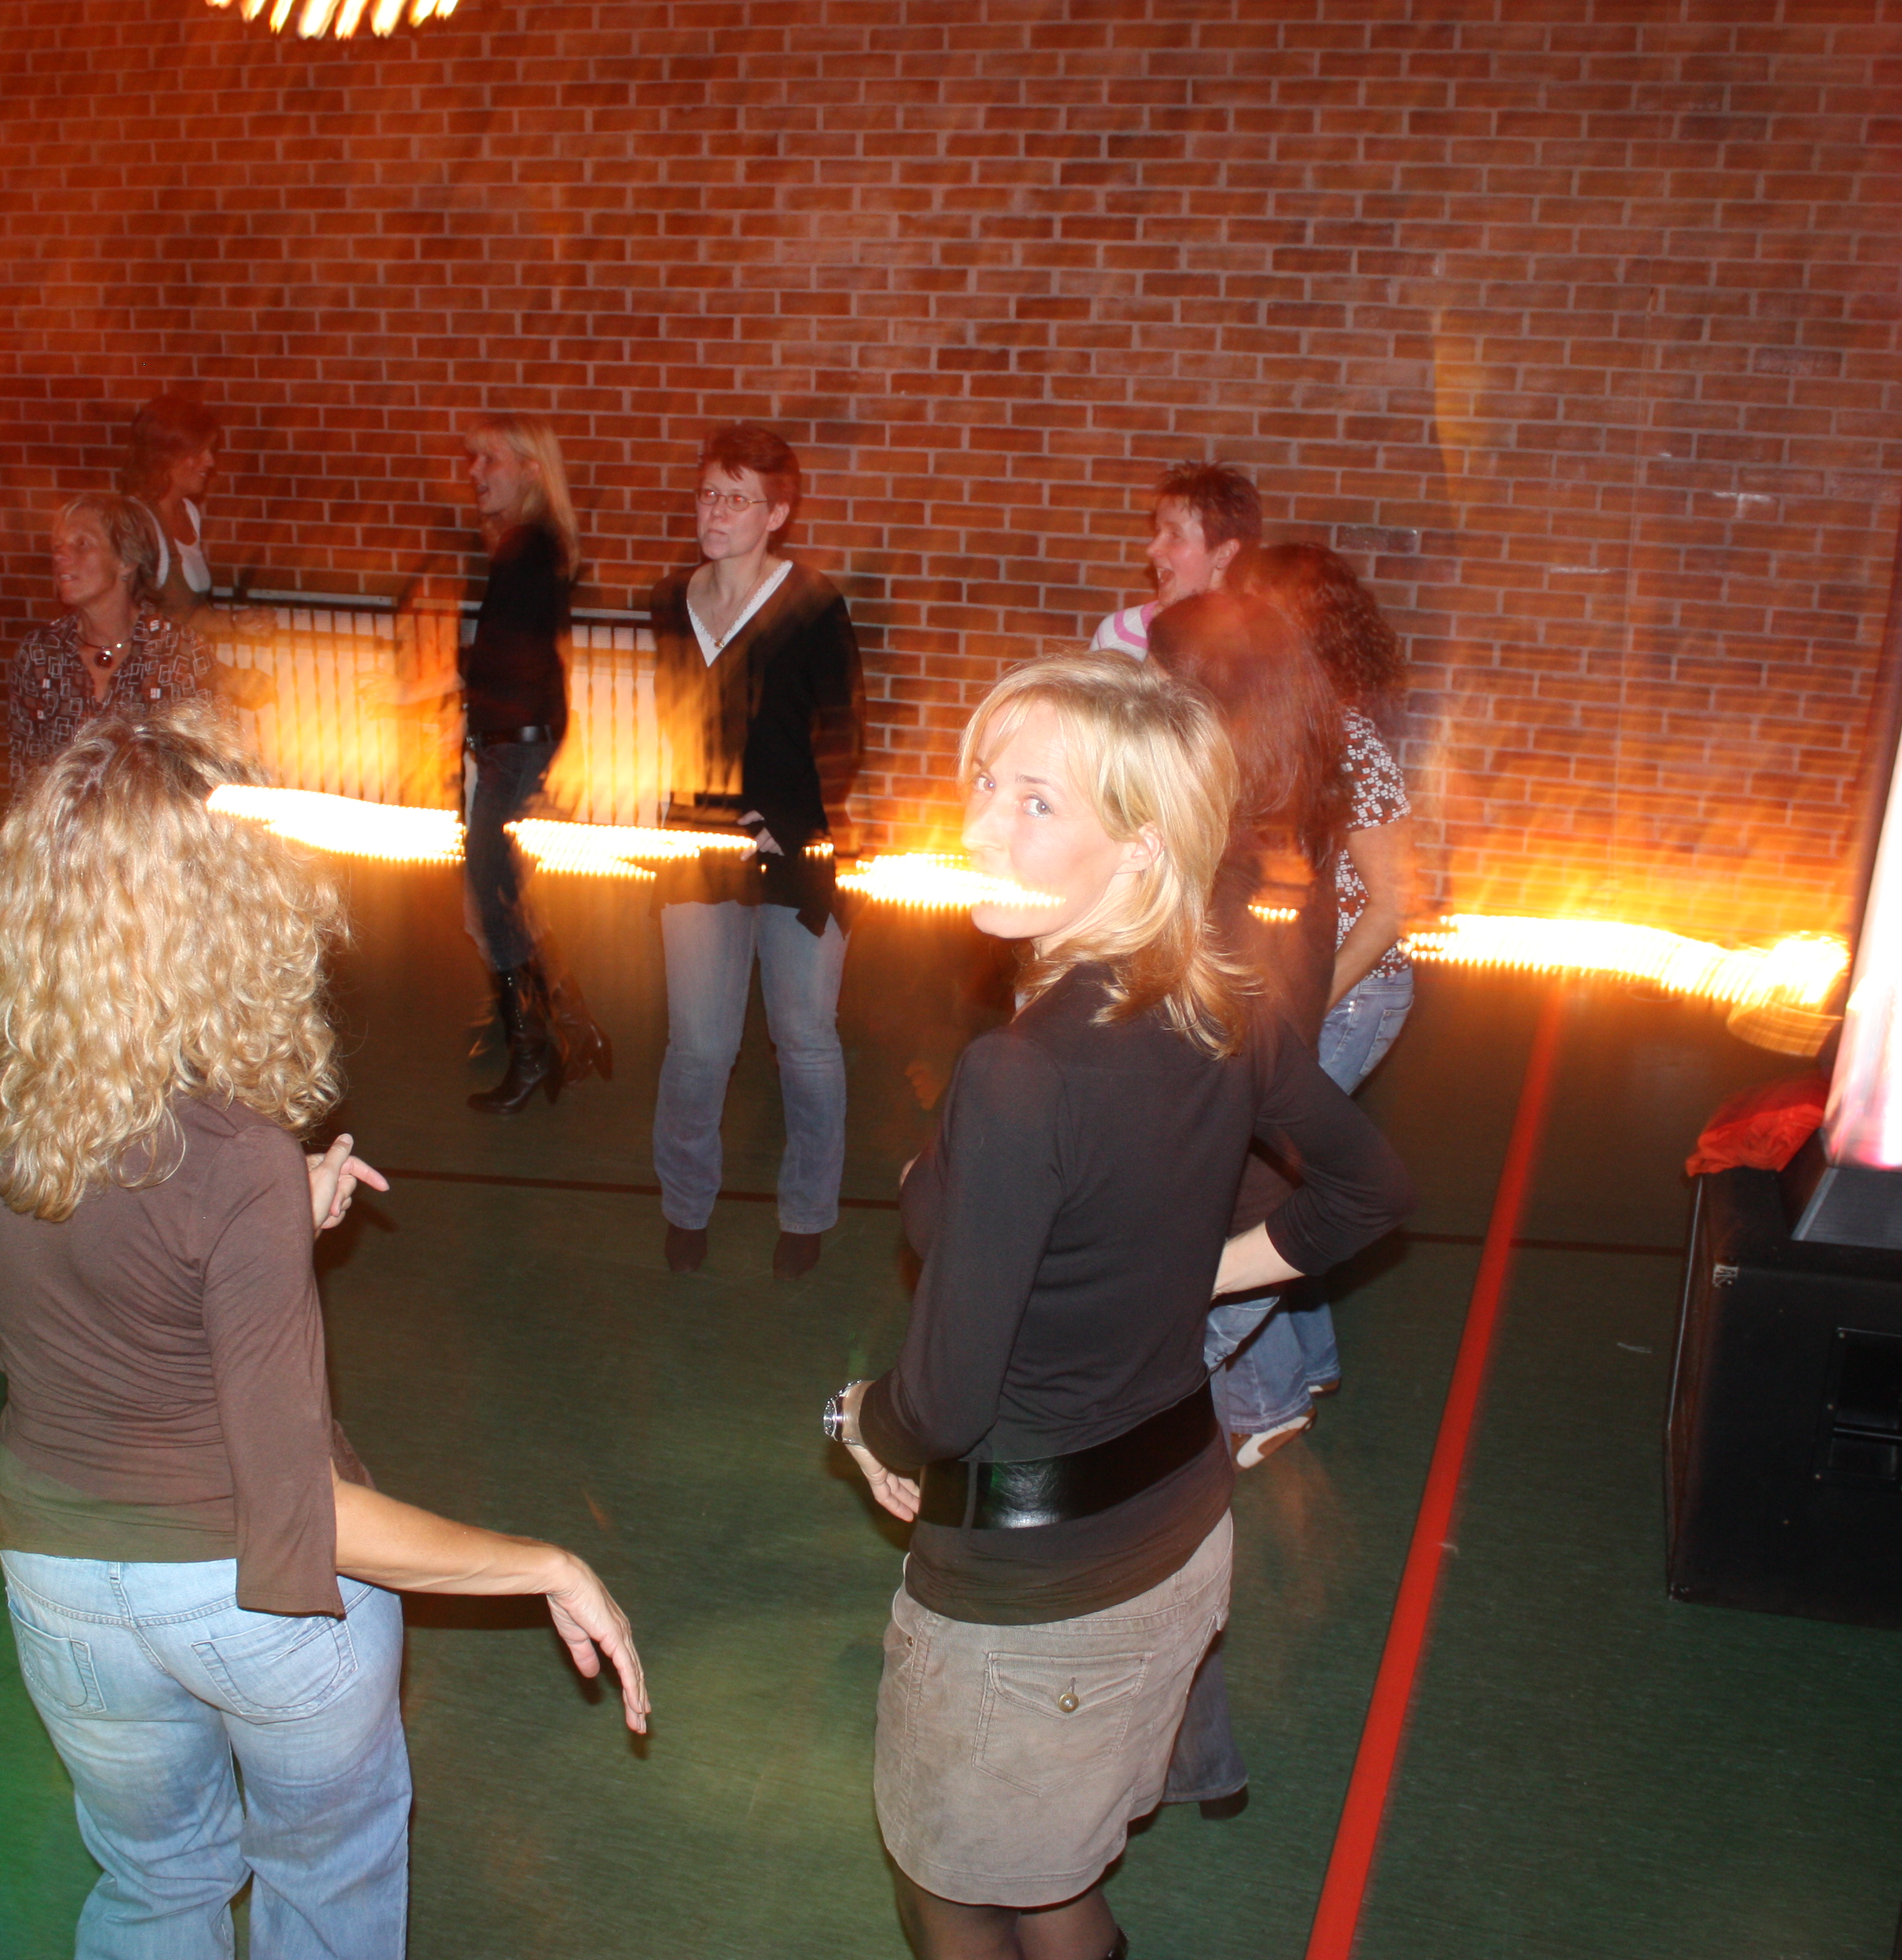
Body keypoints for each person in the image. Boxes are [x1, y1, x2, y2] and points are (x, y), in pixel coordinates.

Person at [0, 705, 648, 1960]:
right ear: (229, 907)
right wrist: (543, 1564)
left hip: (56, 1574)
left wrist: (270, 1225)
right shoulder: (236, 1158)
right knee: (326, 1876)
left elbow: (104, 1272)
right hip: (252, 1610)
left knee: (153, 1885)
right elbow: (300, 1511)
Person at [828, 653, 1413, 1960]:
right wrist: (1201, 1270)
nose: (981, 824)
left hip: (1030, 1600)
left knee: (957, 1893)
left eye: (1036, 802)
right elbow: (1368, 1190)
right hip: (1181, 1530)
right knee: (1053, 1886)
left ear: (1143, 848)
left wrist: (856, 1417)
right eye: (985, 782)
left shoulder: (1021, 1074)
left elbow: (942, 1404)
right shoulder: (1221, 1004)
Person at [1195, 541, 1421, 1462]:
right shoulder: (1268, 729)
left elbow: (1397, 903)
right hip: (1300, 990)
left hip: (1350, 993)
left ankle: (1262, 1401)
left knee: (1247, 1203)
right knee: (1282, 1184)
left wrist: (1308, 999)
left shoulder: (1345, 739)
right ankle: (1308, 1365)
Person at [646, 424, 862, 1280]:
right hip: (698, 848)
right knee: (699, 1046)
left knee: (805, 1042)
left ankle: (806, 1211)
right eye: (708, 493)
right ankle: (685, 1205)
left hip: (795, 850)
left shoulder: (813, 604)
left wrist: (790, 828)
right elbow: (679, 725)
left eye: (737, 499)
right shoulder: (672, 600)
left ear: (777, 513)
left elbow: (842, 738)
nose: (716, 512)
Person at [457, 412, 610, 1114]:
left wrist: (441, 680)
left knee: (496, 899)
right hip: (517, 743)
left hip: (515, 747)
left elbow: (516, 660)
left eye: (489, 459)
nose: (475, 472)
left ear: (529, 469)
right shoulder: (532, 546)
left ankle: (537, 1048)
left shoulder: (528, 548)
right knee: (505, 896)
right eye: (473, 459)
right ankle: (574, 1030)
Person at [4, 492, 211, 783]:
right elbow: (24, 776)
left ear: (127, 560)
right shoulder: (40, 654)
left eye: (82, 544)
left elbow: (202, 770)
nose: (60, 556)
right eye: (58, 546)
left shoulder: (178, 652)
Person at [1087, 460, 1262, 661]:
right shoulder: (1120, 635)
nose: (1152, 549)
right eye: (1158, 531)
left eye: (1175, 535)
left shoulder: (1262, 644)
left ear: (1224, 552)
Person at [122, 392, 223, 624]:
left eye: (210, 450)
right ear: (164, 456)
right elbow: (132, 619)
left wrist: (237, 621)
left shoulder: (189, 512)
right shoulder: (137, 522)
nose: (210, 461)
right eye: (198, 452)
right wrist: (230, 622)